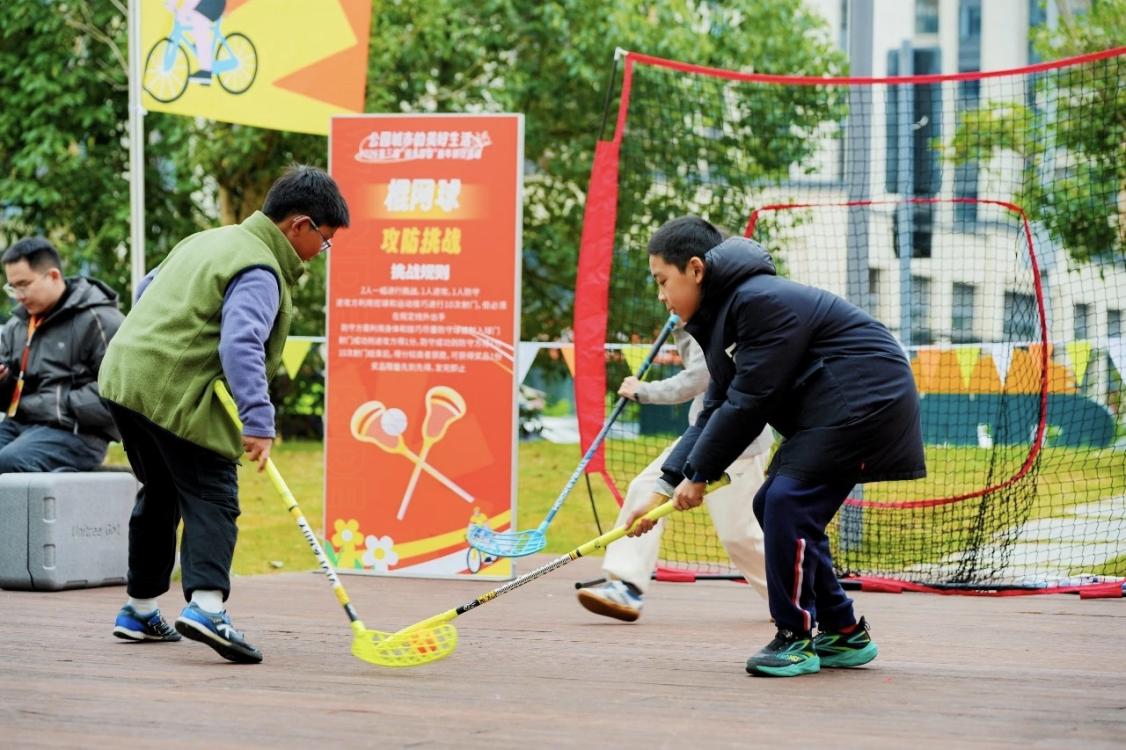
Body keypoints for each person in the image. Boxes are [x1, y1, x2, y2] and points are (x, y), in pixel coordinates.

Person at [627, 216, 925, 678]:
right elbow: (716, 407)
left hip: (865, 401)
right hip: (831, 407)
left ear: (695, 269)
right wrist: (665, 486)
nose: (661, 296)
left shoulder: (759, 302)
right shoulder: (723, 315)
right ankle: (843, 631)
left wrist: (699, 476)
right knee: (776, 503)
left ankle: (795, 638)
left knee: (785, 502)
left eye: (663, 281)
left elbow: (749, 403)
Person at [99, 165, 349, 663]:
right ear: (298, 224)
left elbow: (149, 290)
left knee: (164, 490)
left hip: (122, 378)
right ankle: (208, 607)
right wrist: (259, 420)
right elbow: (241, 343)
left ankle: (140, 609)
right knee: (213, 489)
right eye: (324, 242)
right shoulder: (260, 268)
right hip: (168, 388)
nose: (320, 255)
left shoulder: (206, 240)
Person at [576, 326, 773, 621]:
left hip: (740, 441)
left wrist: (644, 391)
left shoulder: (711, 317)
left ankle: (796, 597)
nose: (661, 296)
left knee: (740, 536)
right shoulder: (686, 317)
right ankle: (625, 584)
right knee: (646, 487)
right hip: (703, 432)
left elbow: (700, 377)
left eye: (663, 282)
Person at [0, 237, 123, 472]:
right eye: (12, 287)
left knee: (7, 463)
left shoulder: (99, 320)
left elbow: (121, 391)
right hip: (20, 424)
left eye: (23, 284)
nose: (18, 295)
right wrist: (3, 382)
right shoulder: (17, 326)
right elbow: (9, 399)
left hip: (76, 433)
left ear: (54, 276)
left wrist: (59, 404)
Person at [165, 0, 227, 86]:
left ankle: (206, 72)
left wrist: (182, 11)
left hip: (213, 3)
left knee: (198, 19)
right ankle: (202, 49)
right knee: (186, 19)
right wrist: (171, 4)